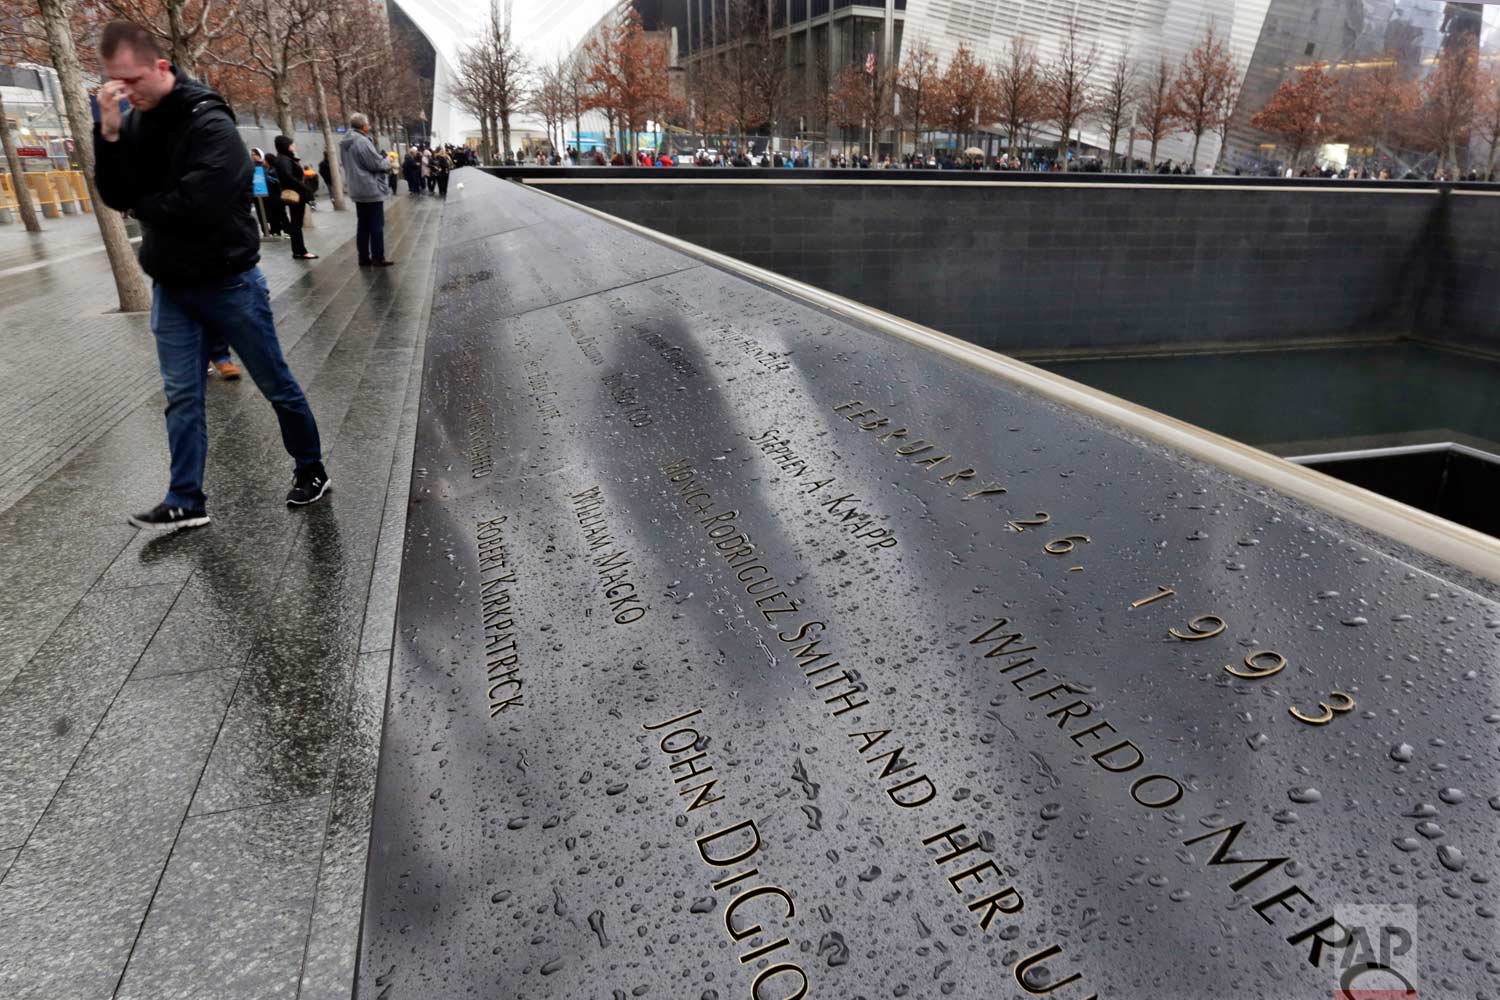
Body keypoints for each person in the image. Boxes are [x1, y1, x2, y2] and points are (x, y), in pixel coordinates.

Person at [93, 20, 328, 529]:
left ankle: (311, 468)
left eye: (132, 81)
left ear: (161, 67)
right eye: (115, 81)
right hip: (171, 286)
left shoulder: (209, 119)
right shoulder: (130, 122)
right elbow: (115, 193)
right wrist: (108, 133)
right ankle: (186, 498)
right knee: (181, 394)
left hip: (229, 280)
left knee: (275, 384)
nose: (123, 91)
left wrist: (144, 205)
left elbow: (206, 198)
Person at [340, 112, 395, 267]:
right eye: (368, 124)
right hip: (370, 188)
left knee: (363, 224)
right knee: (377, 225)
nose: (369, 126)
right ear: (364, 126)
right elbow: (376, 164)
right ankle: (378, 257)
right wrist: (388, 160)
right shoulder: (362, 142)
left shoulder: (345, 142)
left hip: (356, 189)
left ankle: (363, 257)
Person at [271, 134, 317, 259]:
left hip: (296, 194)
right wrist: (304, 187)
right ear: (286, 146)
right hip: (296, 195)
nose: (294, 146)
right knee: (296, 223)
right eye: (291, 144)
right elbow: (288, 177)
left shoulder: (284, 158)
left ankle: (299, 250)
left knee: (296, 223)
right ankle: (300, 251)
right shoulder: (284, 159)